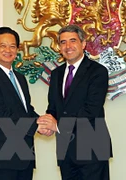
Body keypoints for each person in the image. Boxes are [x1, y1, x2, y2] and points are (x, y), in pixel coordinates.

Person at [37, 25, 113, 180]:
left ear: (83, 44)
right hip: (66, 151)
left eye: (73, 41)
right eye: (63, 42)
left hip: (92, 151)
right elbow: (53, 108)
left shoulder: (97, 72)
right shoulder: (56, 74)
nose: (68, 46)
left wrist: (57, 126)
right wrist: (46, 124)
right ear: (59, 47)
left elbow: (90, 110)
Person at [0, 27, 45, 180]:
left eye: (13, 46)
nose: (8, 50)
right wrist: (35, 125)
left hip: (24, 158)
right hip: (1, 161)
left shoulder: (20, 78)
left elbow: (26, 110)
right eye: (3, 45)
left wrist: (42, 121)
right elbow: (0, 116)